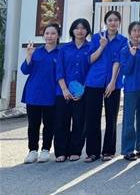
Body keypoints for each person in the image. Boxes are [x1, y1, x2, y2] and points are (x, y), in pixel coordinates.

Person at [84, 10, 127, 163]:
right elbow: (90, 59)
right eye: (110, 20)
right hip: (94, 81)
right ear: (105, 22)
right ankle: (92, 152)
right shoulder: (97, 38)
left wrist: (113, 82)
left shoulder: (123, 40)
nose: (113, 23)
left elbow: (119, 61)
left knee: (111, 117)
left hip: (113, 83)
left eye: (116, 20)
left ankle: (108, 150)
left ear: (119, 22)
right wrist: (101, 46)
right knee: (93, 117)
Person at [21, 23, 61, 164]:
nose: (49, 36)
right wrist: (29, 55)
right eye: (47, 33)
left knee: (49, 123)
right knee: (33, 124)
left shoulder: (60, 53)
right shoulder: (36, 52)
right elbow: (25, 70)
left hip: (51, 93)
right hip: (33, 93)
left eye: (53, 33)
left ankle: (45, 149)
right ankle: (32, 150)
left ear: (58, 35)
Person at [54, 18, 91, 162]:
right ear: (72, 30)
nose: (80, 31)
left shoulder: (90, 48)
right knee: (61, 122)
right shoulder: (64, 48)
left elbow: (91, 71)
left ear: (87, 30)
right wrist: (64, 89)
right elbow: (59, 70)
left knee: (79, 121)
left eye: (83, 28)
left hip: (82, 92)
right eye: (77, 28)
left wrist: (82, 91)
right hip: (63, 92)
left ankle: (75, 150)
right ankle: (61, 151)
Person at [119, 21, 140, 161]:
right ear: (130, 33)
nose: (137, 33)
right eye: (134, 30)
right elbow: (125, 71)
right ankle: (128, 150)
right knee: (129, 120)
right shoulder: (125, 50)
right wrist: (132, 56)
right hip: (131, 88)